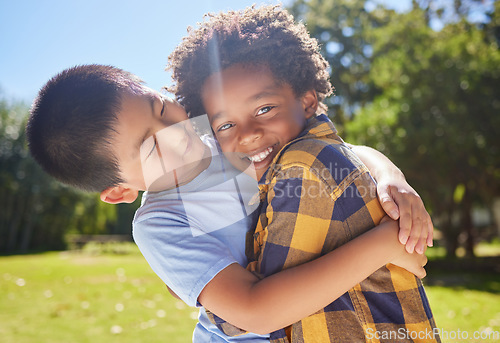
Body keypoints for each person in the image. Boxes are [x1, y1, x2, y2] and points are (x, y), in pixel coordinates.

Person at [27, 64, 428, 343]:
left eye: (160, 106)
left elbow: (334, 151)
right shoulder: (161, 223)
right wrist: (383, 246)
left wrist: (391, 177)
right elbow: (256, 310)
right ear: (120, 192)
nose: (177, 130)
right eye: (151, 147)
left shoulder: (223, 136)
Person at [167, 5, 440, 342]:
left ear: (308, 102)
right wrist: (390, 173)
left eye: (264, 109)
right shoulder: (312, 157)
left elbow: (254, 315)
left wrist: (196, 284)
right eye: (225, 124)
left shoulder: (300, 169)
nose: (248, 133)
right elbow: (352, 149)